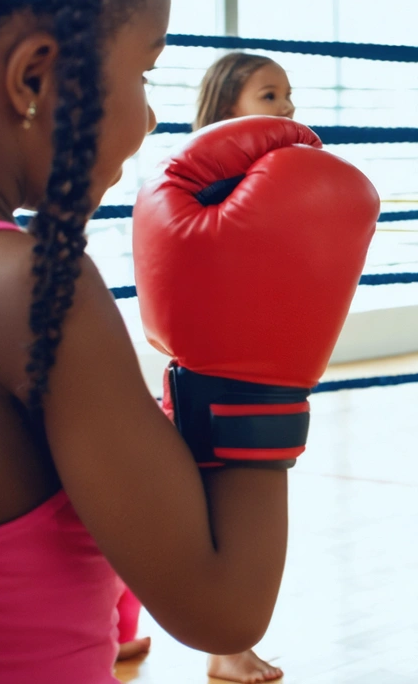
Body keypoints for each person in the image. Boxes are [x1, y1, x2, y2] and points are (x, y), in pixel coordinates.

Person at [0, 0, 379, 682]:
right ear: (36, 77)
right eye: (142, 71)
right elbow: (222, 607)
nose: (151, 115)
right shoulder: (30, 292)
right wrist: (254, 380)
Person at [117, 49, 298, 684]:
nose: (287, 109)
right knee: (214, 508)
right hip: (216, 375)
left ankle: (140, 629)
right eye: (269, 97)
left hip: (257, 367)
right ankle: (223, 648)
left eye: (288, 96)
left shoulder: (272, 185)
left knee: (226, 507)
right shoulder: (203, 185)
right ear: (228, 108)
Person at [194, 52, 295, 130]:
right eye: (269, 96)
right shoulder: (207, 156)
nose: (289, 107)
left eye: (287, 95)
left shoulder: (295, 150)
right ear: (226, 109)